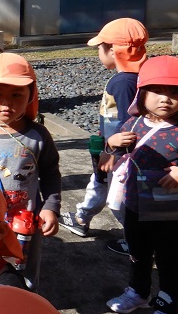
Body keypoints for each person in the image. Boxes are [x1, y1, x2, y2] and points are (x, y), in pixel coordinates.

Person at [0, 53, 61, 290]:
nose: (7, 103)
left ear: (31, 94)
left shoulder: (38, 136)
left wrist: (50, 207)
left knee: (24, 274)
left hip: (27, 224)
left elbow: (50, 174)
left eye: (17, 94)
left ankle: (22, 308)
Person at [59, 18, 148, 254]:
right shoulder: (133, 78)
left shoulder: (123, 82)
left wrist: (111, 152)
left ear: (113, 50)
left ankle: (136, 241)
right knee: (98, 184)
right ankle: (81, 218)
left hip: (118, 155)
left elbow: (129, 123)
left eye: (100, 47)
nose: (98, 52)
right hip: (109, 149)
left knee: (118, 200)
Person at [105, 55, 178, 314]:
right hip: (135, 204)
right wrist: (112, 144)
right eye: (158, 91)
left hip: (171, 214)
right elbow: (117, 152)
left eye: (175, 93)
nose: (166, 99)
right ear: (142, 93)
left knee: (171, 261)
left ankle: (169, 313)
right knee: (138, 252)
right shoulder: (134, 122)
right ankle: (139, 291)